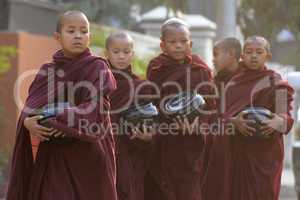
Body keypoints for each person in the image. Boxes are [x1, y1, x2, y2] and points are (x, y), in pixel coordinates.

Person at [6, 11, 117, 200]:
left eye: (83, 31)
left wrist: (57, 120)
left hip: (89, 156)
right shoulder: (48, 71)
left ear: (89, 37)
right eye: (71, 31)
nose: (78, 36)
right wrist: (28, 122)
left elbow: (96, 113)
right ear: (58, 37)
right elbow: (30, 109)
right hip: (55, 155)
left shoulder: (98, 67)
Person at [146, 18, 215, 200]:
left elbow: (210, 105)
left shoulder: (200, 69)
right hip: (164, 141)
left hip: (191, 145)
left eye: (183, 41)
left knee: (188, 190)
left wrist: (197, 125)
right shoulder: (157, 68)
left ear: (190, 43)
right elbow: (151, 102)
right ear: (163, 45)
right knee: (162, 188)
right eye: (173, 42)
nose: (178, 46)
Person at [225, 36, 294, 200]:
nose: (253, 56)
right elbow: (221, 114)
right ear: (242, 55)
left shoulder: (276, 82)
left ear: (267, 56)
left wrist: (280, 120)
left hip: (266, 154)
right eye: (249, 52)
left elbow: (284, 112)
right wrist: (233, 121)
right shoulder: (232, 82)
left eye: (259, 52)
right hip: (239, 151)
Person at [105, 32, 154, 200]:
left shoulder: (141, 86)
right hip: (101, 151)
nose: (121, 56)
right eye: (116, 51)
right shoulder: (98, 83)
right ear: (107, 54)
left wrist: (147, 137)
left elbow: (147, 122)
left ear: (132, 54)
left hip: (129, 154)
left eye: (126, 52)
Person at [202, 37, 242, 200]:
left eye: (216, 54)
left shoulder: (248, 81)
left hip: (242, 150)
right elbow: (208, 115)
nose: (213, 59)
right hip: (216, 149)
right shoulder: (214, 83)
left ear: (231, 54)